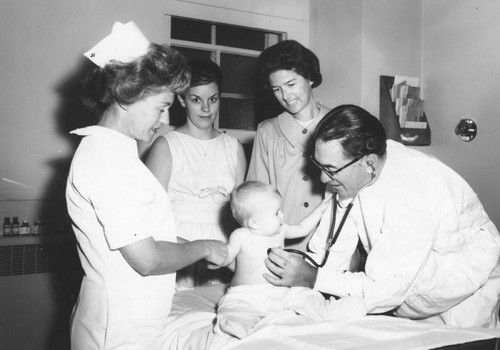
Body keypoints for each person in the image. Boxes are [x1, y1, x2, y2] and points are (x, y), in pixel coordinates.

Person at [66, 21, 228, 350]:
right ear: (129, 96)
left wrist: (207, 246)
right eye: (161, 107)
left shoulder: (119, 153)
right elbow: (147, 258)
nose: (164, 120)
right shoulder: (104, 158)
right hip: (116, 328)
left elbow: (150, 235)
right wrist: (204, 248)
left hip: (134, 321)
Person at [264, 104, 500, 328]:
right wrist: (302, 283)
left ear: (369, 163)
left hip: (464, 291)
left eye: (330, 170)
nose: (323, 179)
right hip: (407, 288)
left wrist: (311, 277)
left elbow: (383, 290)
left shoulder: (414, 190)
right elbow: (330, 253)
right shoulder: (347, 172)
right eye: (320, 166)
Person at [214, 181, 366, 339]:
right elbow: (226, 256)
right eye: (276, 212)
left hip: (281, 291)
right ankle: (234, 324)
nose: (282, 215)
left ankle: (329, 310)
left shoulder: (282, 230)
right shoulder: (240, 235)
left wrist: (321, 209)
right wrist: (217, 258)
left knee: (304, 294)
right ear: (254, 223)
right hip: (247, 294)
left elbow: (302, 227)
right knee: (232, 307)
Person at [145, 59, 247, 288]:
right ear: (181, 100)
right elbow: (151, 218)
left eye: (213, 99)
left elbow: (241, 214)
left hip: (223, 252)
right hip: (180, 247)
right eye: (196, 99)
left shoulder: (234, 147)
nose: (206, 108)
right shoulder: (165, 146)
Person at [246, 40, 332, 251]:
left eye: (291, 85)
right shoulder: (268, 132)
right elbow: (255, 201)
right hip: (280, 246)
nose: (285, 96)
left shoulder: (337, 124)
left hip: (330, 245)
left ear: (310, 78)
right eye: (277, 89)